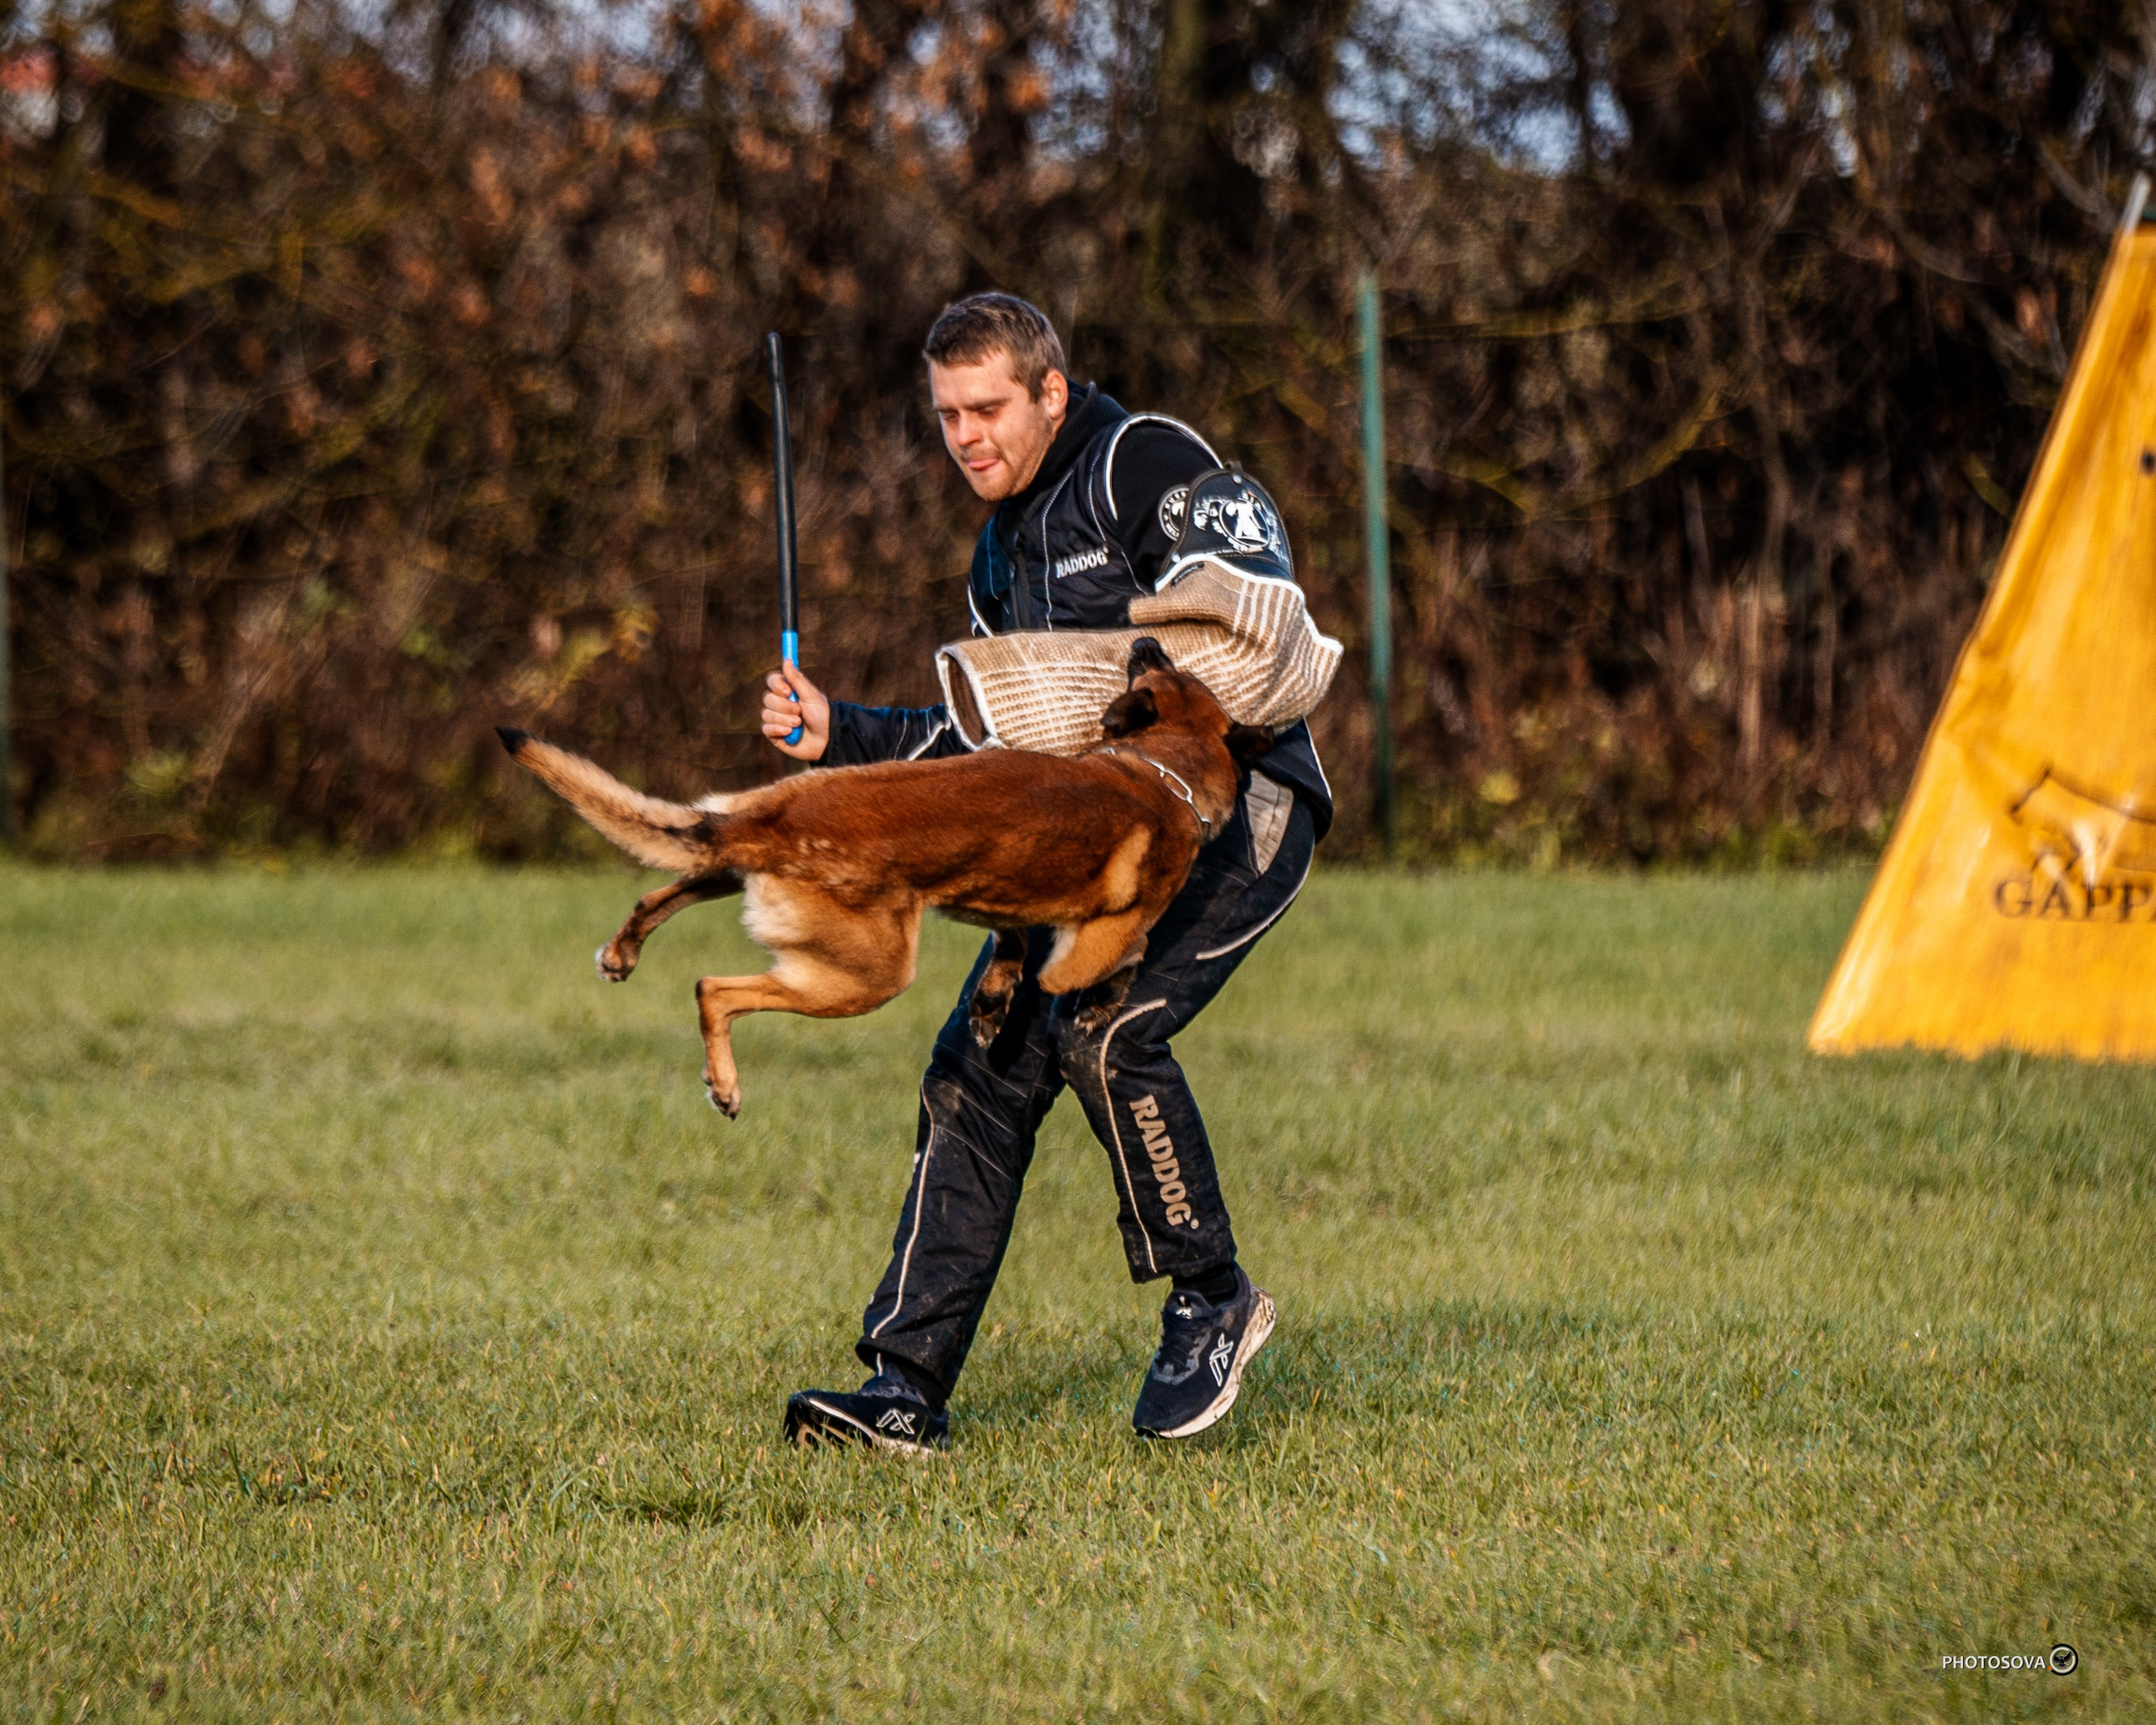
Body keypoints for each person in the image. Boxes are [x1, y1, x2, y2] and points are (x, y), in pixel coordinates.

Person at [759, 293, 1331, 1451]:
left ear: (1050, 393)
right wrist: (847, 736)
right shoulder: (997, 559)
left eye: (987, 408)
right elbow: (996, 753)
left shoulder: (1145, 461)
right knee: (975, 1065)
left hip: (1239, 814)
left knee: (1105, 1029)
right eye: (946, 415)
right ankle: (903, 1389)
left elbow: (1258, 626)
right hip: (1089, 848)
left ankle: (1211, 1298)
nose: (966, 435)